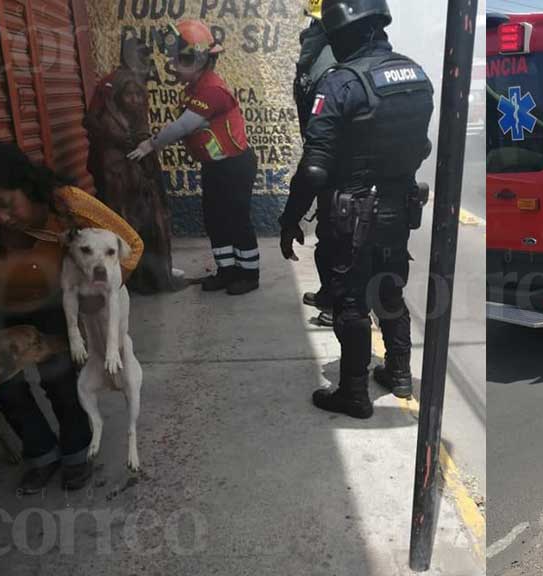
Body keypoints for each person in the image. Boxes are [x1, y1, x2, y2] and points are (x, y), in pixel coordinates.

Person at [279, 0, 434, 419]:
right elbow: (422, 146)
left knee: (351, 302)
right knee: (389, 288)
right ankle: (399, 374)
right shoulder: (417, 75)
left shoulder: (340, 84)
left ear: (347, 32)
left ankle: (353, 393)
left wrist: (290, 217)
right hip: (397, 209)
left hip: (351, 215)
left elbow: (314, 169)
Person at [0, 139, 143, 493]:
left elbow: (132, 247)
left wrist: (100, 296)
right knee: (7, 387)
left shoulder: (68, 203)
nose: (1, 218)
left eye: (5, 205)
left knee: (60, 378)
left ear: (24, 183)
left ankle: (76, 452)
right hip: (0, 303)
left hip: (56, 298)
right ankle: (40, 454)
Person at [128, 20, 260, 296]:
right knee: (215, 219)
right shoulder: (196, 87)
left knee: (236, 219)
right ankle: (226, 271)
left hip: (234, 166)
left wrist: (150, 145)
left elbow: (183, 127)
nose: (173, 66)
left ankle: (248, 274)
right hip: (216, 166)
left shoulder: (211, 90)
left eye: (178, 61)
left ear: (197, 60)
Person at [85, 38, 184, 294]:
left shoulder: (113, 82)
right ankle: (141, 278)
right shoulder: (117, 83)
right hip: (121, 168)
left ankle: (139, 278)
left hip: (124, 166)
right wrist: (127, 143)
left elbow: (94, 122)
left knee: (134, 222)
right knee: (137, 222)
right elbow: (95, 123)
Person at [294, 0, 337, 326]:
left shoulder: (331, 56)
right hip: (324, 151)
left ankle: (337, 303)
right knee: (328, 231)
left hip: (336, 159)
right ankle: (329, 294)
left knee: (338, 236)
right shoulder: (320, 48)